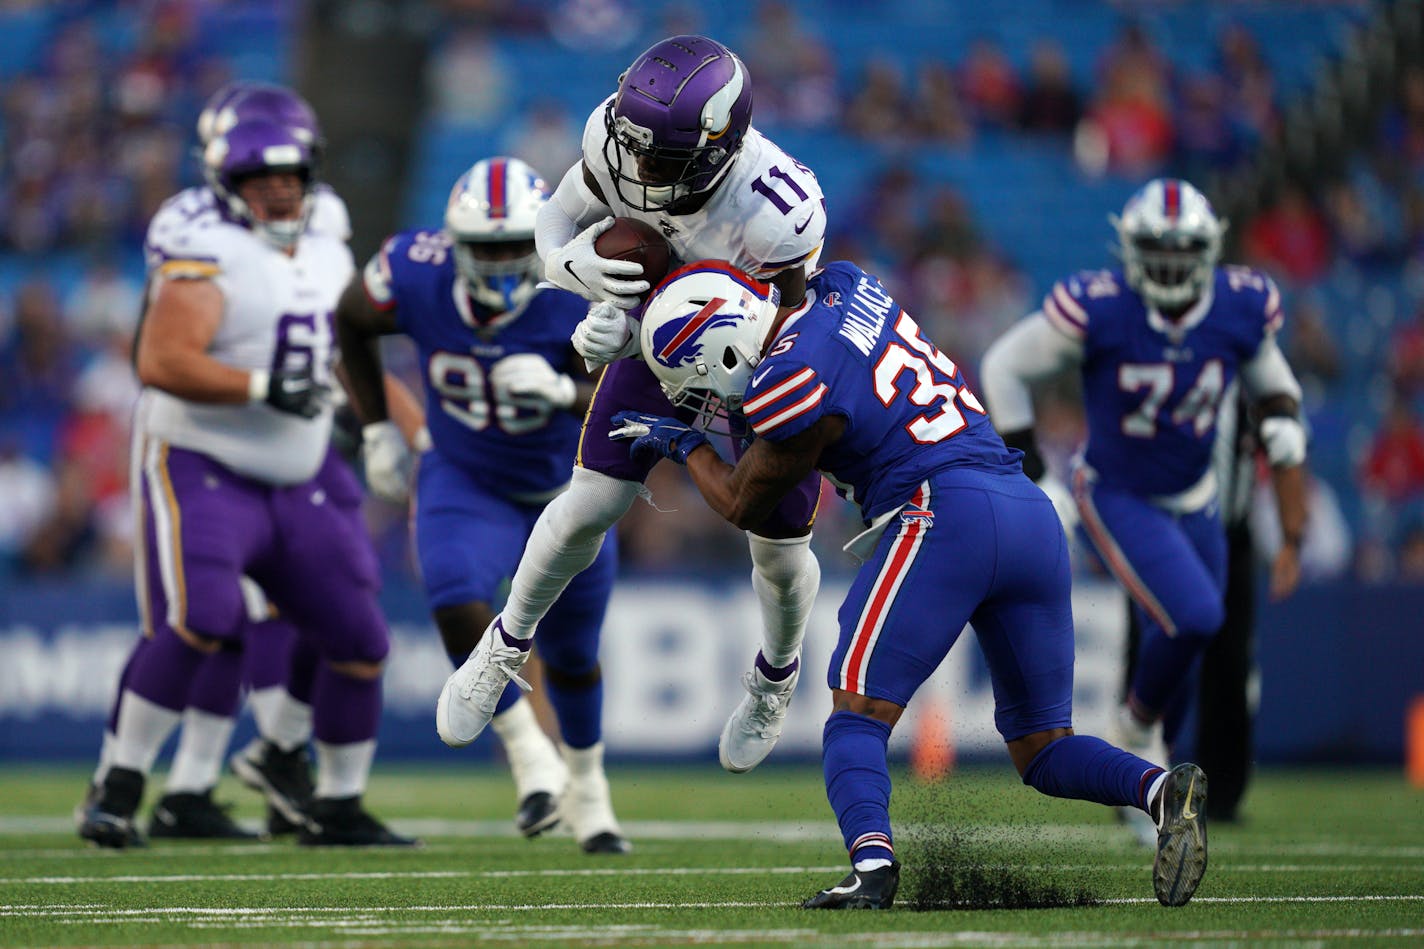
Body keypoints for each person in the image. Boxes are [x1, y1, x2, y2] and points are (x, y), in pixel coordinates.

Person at [605, 259, 1207, 910]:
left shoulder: (791, 379)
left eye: (700, 382)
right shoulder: (844, 285)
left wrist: (682, 447)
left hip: (944, 510)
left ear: (724, 341)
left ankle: (871, 866)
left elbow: (745, 499)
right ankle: (1157, 789)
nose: (710, 402)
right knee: (1042, 750)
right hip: (1026, 511)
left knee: (855, 716)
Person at [435, 35, 827, 776]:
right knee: (588, 502)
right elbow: (552, 227)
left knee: (778, 554)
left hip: (759, 351)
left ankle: (776, 676)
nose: (638, 169)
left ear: (719, 149)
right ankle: (505, 644)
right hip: (665, 332)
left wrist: (647, 326)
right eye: (633, 147)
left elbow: (788, 330)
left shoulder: (777, 210)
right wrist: (579, 278)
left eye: (661, 158)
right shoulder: (616, 137)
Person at [76, 114, 413, 848]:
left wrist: (399, 429)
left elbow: (342, 349)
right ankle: (120, 784)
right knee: (206, 616)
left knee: (360, 635)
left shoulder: (327, 233)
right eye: (262, 180)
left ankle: (335, 804)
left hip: (298, 471)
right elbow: (161, 360)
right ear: (227, 185)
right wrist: (263, 384)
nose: (280, 193)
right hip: (206, 461)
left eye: (291, 177)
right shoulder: (203, 243)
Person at [978, 177, 1308, 808]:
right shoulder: (1103, 306)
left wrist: (1282, 428)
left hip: (1200, 497)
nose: (1171, 264)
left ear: (1209, 251)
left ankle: (1140, 754)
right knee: (1197, 615)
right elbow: (1005, 367)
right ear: (1130, 248)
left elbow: (1275, 385)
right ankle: (1135, 731)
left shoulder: (1241, 305)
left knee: (1187, 632)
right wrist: (1035, 469)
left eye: (1184, 250)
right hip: (1118, 491)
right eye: (1159, 248)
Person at [335, 156, 630, 853]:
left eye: (513, 246)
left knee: (573, 656)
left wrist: (566, 393)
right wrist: (377, 425)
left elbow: (643, 395)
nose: (500, 262)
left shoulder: (578, 285)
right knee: (454, 590)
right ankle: (530, 757)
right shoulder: (413, 268)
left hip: (570, 487)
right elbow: (348, 321)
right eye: (485, 248)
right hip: (466, 477)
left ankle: (589, 788)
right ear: (454, 245)